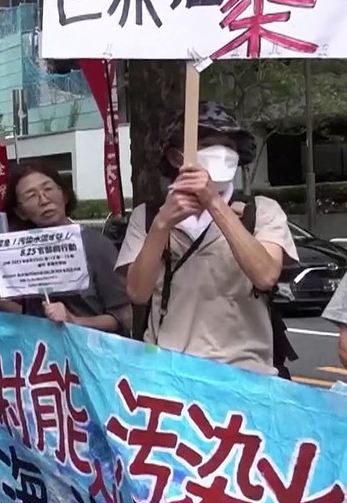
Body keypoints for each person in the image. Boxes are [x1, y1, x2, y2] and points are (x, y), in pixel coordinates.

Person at [117, 102, 297, 375]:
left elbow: (266, 275)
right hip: (168, 372)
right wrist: (162, 224)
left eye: (229, 145)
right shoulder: (147, 216)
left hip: (245, 374)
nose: (221, 152)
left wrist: (214, 203)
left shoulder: (261, 211)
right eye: (206, 144)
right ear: (176, 157)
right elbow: (137, 293)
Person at [0, 163, 131, 334]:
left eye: (48, 189)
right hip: (41, 348)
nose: (43, 200)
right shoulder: (20, 253)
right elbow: (28, 314)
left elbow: (124, 318)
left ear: (64, 195)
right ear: (20, 212)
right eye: (31, 196)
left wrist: (73, 320)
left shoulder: (96, 245)